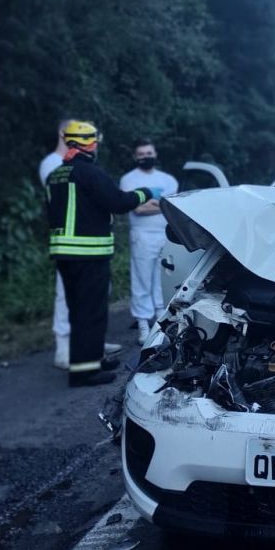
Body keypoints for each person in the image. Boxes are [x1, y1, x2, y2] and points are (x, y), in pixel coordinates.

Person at [46, 120, 154, 387]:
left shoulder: (56, 174)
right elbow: (118, 202)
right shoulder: (90, 173)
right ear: (90, 143)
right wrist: (143, 193)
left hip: (64, 254)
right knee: (91, 312)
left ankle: (92, 359)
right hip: (87, 254)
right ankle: (84, 373)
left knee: (78, 311)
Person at [39, 120, 121, 369]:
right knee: (72, 302)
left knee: (88, 305)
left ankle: (89, 350)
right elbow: (105, 201)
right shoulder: (58, 165)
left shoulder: (66, 167)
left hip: (76, 247)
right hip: (81, 248)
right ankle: (69, 352)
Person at [120, 139, 179, 343]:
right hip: (141, 236)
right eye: (142, 154)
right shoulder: (129, 180)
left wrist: (151, 203)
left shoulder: (168, 179)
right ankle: (143, 324)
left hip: (164, 234)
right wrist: (160, 204)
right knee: (142, 279)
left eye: (149, 153)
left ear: (155, 154)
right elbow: (137, 208)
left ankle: (160, 322)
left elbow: (171, 205)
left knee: (162, 279)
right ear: (136, 157)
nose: (146, 157)